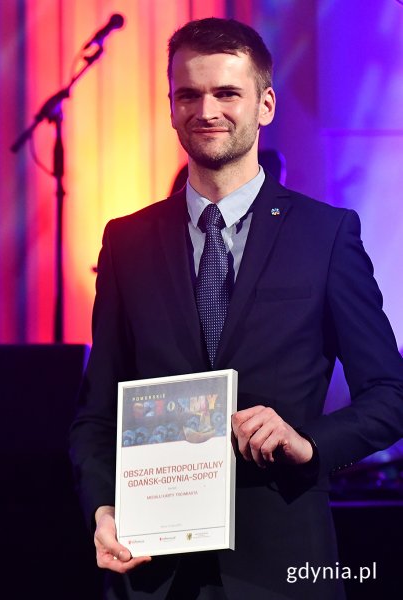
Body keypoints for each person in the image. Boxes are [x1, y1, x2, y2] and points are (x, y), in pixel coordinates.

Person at [69, 17, 403, 599]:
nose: (207, 109)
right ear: (171, 108)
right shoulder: (127, 241)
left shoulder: (325, 235)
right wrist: (102, 508)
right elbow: (97, 415)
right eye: (189, 94)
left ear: (265, 104)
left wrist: (309, 442)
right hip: (152, 567)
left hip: (286, 563)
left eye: (227, 93)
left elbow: (390, 396)